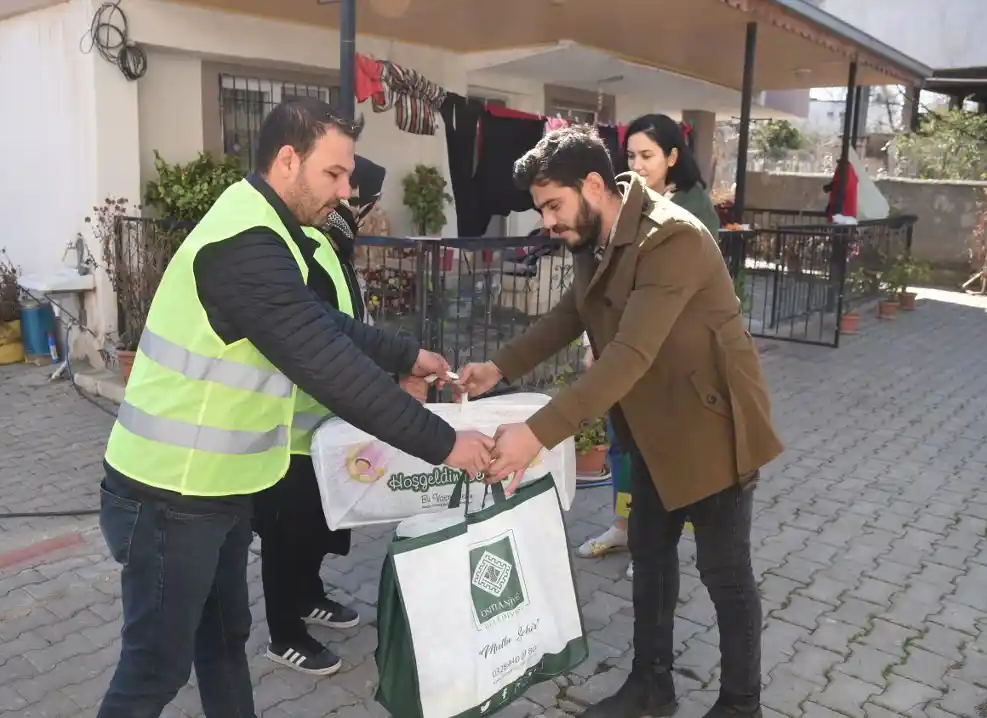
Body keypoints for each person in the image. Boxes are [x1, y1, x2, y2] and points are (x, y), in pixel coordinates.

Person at [96, 97, 495, 718]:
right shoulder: (242, 245)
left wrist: (405, 353)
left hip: (218, 491)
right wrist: (446, 445)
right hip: (167, 495)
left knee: (225, 640)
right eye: (334, 174)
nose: (345, 191)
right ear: (288, 160)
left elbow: (321, 322)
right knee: (156, 668)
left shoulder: (269, 231)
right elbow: (327, 364)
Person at [460, 125, 782, 718]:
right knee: (650, 555)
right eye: (542, 210)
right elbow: (569, 315)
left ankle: (742, 704)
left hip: (712, 427)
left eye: (554, 206)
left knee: (725, 573)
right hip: (651, 426)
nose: (550, 222)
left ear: (591, 184)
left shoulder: (673, 237)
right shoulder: (595, 236)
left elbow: (630, 353)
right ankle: (651, 688)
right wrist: (497, 367)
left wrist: (536, 433)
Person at [254, 157, 427, 677]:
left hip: (324, 426)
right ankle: (284, 634)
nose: (355, 206)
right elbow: (318, 341)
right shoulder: (303, 250)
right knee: (287, 533)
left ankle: (307, 597)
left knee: (316, 528)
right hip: (289, 428)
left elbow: (351, 330)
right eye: (354, 197)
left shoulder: (333, 250)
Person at [576, 114, 723, 580]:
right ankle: (625, 525)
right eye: (631, 155)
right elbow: (601, 283)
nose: (636, 165)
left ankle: (655, 544)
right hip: (623, 348)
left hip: (668, 354)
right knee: (621, 445)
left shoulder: (691, 212)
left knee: (660, 450)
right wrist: (594, 339)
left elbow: (671, 296)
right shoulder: (626, 206)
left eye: (647, 155)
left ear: (673, 157)